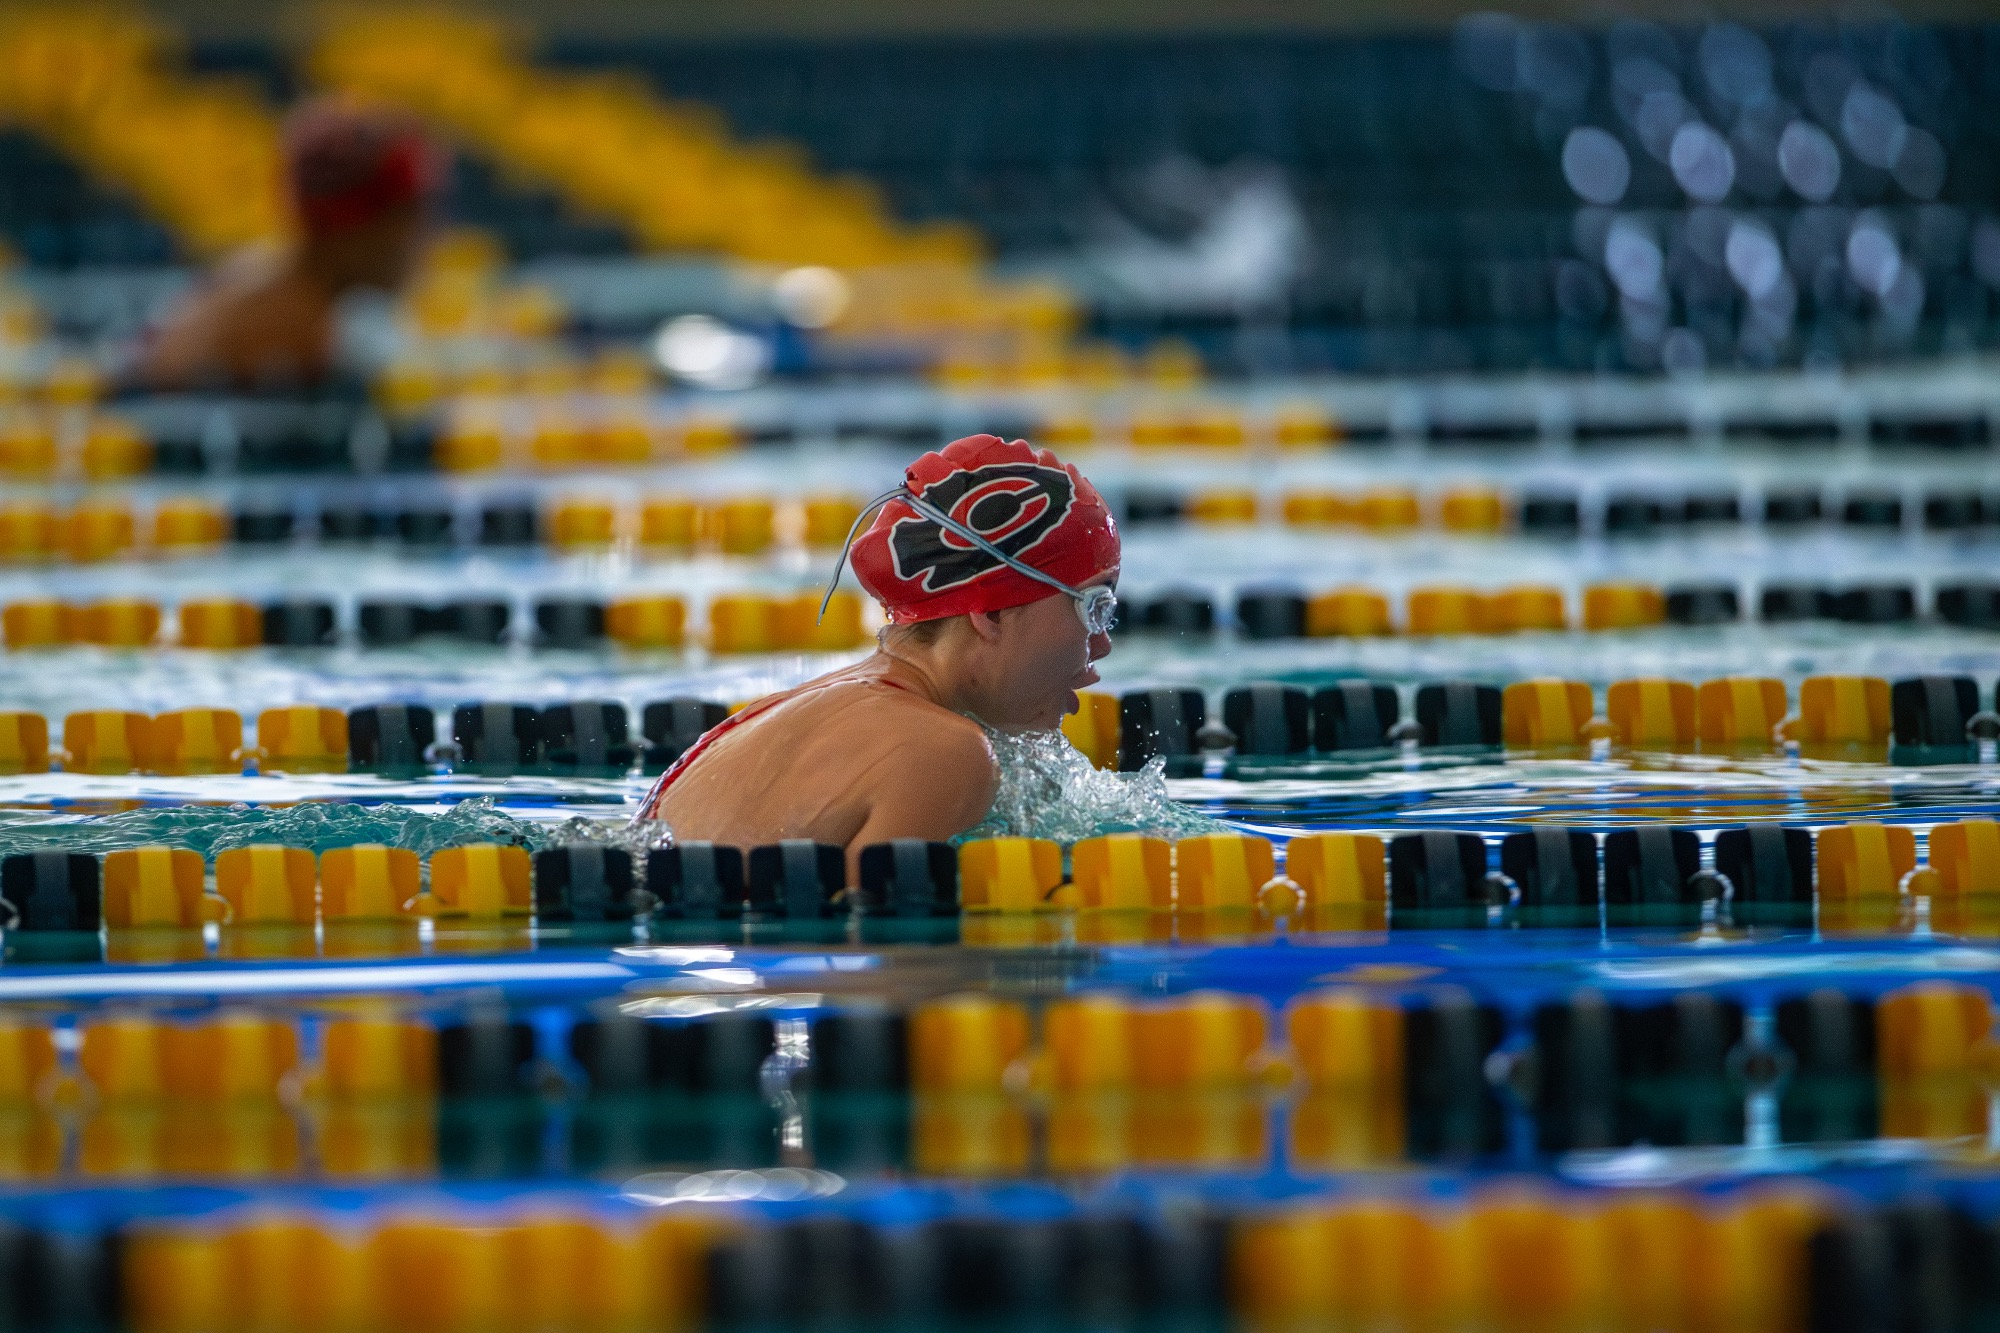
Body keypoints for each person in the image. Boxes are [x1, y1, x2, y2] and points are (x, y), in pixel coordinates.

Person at [641, 434, 1119, 872]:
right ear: (991, 613)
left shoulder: (794, 710)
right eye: (1093, 607)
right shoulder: (943, 753)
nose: (1101, 645)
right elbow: (883, 958)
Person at [132, 97, 439, 391]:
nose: (425, 238)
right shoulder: (297, 327)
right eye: (410, 217)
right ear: (357, 228)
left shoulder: (261, 272)